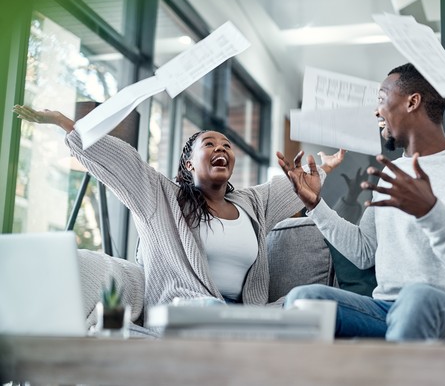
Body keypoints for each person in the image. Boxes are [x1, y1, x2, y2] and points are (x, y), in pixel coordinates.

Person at [12, 105, 345, 308]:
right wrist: (63, 122)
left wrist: (324, 167)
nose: (222, 148)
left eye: (227, 145)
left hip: (241, 314)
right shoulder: (160, 197)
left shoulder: (253, 203)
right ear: (188, 164)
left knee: (304, 302)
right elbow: (119, 161)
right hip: (185, 313)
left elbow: (295, 184)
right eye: (210, 144)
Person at [281, 63, 445, 341]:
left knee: (417, 297)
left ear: (412, 102)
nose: (377, 111)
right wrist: (316, 205)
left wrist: (430, 211)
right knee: (305, 298)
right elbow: (364, 252)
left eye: (382, 99)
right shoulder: (389, 171)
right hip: (387, 309)